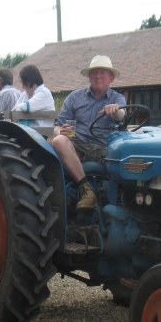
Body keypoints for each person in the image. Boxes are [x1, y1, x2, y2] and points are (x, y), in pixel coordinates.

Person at [52, 56, 126, 210]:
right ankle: (86, 190)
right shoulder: (74, 97)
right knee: (58, 140)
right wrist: (61, 131)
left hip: (104, 148)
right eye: (94, 73)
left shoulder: (117, 98)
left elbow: (121, 117)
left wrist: (115, 111)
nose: (97, 76)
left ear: (111, 78)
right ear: (89, 77)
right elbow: (57, 128)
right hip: (77, 145)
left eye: (102, 73)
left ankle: (123, 200)